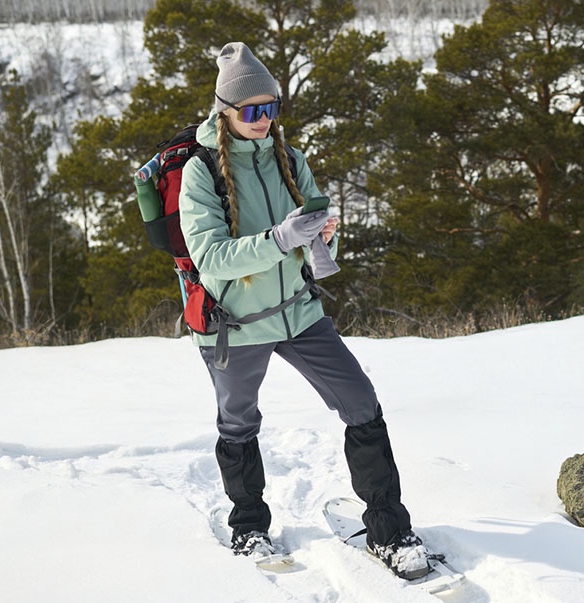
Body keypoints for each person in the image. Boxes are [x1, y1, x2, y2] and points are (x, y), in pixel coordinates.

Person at [178, 42, 429, 580]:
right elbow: (211, 258)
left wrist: (321, 236)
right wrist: (279, 237)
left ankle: (390, 531)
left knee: (362, 404)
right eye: (252, 109)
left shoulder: (289, 159)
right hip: (236, 325)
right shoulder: (202, 172)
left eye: (271, 107)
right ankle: (249, 527)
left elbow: (310, 244)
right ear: (225, 110)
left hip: (299, 312)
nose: (263, 118)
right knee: (238, 424)